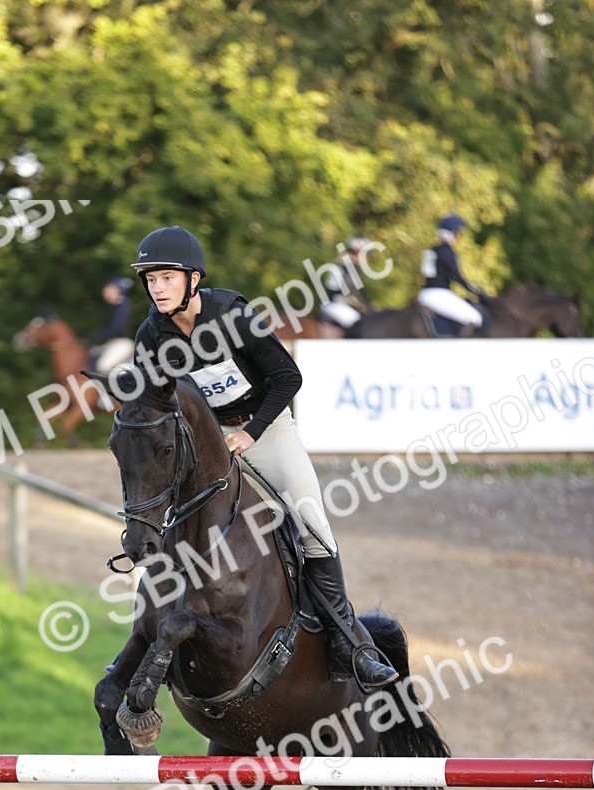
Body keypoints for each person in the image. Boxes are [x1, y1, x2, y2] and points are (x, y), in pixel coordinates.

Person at [129, 224, 397, 690]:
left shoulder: (232, 314)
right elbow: (154, 405)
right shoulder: (151, 335)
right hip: (205, 447)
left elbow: (288, 378)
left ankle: (349, 646)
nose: (157, 287)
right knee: (171, 529)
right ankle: (143, 647)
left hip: (266, 430)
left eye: (166, 278)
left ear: (194, 279)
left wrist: (250, 433)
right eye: (150, 280)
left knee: (312, 523)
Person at [418, 215, 490, 335]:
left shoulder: (429, 250)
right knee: (474, 318)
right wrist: (479, 292)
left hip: (424, 294)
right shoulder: (448, 252)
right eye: (458, 233)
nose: (459, 236)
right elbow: (458, 278)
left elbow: (427, 275)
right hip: (439, 295)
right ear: (451, 232)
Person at [318, 236, 372, 330]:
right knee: (358, 323)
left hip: (341, 306)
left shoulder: (351, 269)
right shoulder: (344, 268)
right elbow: (333, 294)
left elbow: (359, 295)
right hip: (334, 306)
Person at [87, 277, 134, 373]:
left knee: (103, 367)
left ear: (119, 291)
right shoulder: (115, 306)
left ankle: (104, 388)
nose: (105, 291)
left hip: (122, 343)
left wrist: (95, 337)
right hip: (113, 343)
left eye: (110, 288)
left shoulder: (123, 307)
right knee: (90, 356)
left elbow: (116, 329)